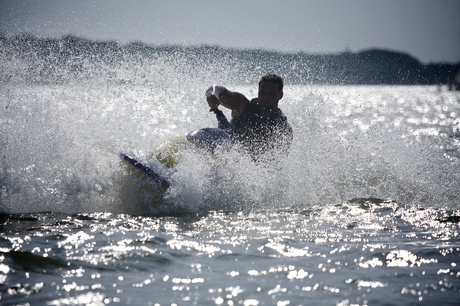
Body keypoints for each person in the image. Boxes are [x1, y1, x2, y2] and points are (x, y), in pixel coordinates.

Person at [186, 73, 293, 162]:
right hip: (222, 144)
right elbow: (217, 89)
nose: (266, 97)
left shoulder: (282, 129)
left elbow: (276, 164)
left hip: (239, 169)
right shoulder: (242, 105)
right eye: (262, 93)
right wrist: (213, 95)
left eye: (271, 94)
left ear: (280, 95)